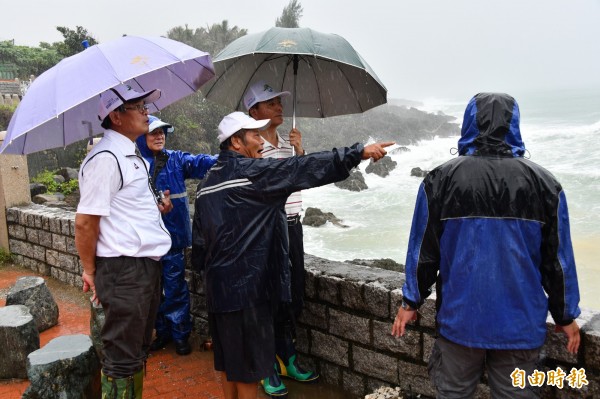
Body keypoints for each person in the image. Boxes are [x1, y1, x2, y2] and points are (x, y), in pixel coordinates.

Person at [391, 93, 581, 398]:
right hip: (519, 326)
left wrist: (410, 303)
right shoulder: (546, 185)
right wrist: (566, 316)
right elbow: (558, 262)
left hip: (460, 323)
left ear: (469, 123)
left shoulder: (439, 180)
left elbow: (422, 253)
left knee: (453, 393)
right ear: (514, 125)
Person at [193, 111, 392, 399]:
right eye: (254, 135)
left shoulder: (205, 184)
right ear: (236, 142)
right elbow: (305, 168)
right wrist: (357, 153)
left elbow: (199, 245)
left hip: (218, 291)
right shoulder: (254, 174)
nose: (261, 141)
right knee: (249, 369)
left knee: (229, 365)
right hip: (248, 292)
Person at [75, 84, 173, 398]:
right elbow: (85, 222)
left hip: (143, 269)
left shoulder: (130, 155)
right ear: (116, 116)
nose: (147, 112)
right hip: (124, 271)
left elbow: (125, 210)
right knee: (122, 358)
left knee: (138, 351)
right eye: (139, 106)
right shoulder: (106, 158)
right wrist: (90, 271)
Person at [244, 80, 314, 396]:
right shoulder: (250, 147)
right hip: (266, 229)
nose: (279, 108)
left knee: (293, 293)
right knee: (269, 295)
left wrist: (299, 152)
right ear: (254, 110)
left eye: (279, 103)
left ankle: (287, 355)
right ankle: (267, 364)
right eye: (271, 103)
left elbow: (303, 180)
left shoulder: (288, 143)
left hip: (292, 224)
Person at [135, 115, 217, 356]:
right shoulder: (135, 165)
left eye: (162, 132)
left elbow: (204, 163)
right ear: (142, 137)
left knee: (175, 288)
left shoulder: (177, 160)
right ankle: (162, 332)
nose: (160, 136)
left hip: (173, 240)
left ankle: (180, 335)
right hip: (146, 243)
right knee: (152, 290)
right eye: (153, 133)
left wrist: (233, 156)